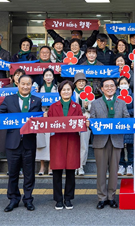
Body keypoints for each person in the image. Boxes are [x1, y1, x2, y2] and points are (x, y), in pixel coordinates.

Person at [0, 75, 43, 212]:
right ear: (18, 84)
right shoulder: (9, 99)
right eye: (23, 84)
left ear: (32, 85)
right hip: (12, 142)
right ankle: (13, 199)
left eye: (28, 84)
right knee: (13, 173)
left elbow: (39, 119)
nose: (26, 86)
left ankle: (28, 199)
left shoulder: (36, 100)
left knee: (29, 173)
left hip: (29, 142)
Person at [89, 78, 130, 209]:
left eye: (112, 86)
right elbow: (92, 122)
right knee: (101, 171)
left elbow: (127, 120)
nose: (109, 88)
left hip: (116, 140)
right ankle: (102, 198)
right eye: (106, 86)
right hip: (100, 141)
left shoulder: (121, 103)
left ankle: (111, 196)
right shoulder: (95, 103)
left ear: (116, 88)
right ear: (101, 89)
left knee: (114, 171)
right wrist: (89, 123)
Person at [48, 80, 82, 210]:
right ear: (60, 92)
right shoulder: (53, 106)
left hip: (72, 140)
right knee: (57, 171)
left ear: (72, 91)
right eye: (64, 90)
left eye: (68, 89)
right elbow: (49, 124)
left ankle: (68, 198)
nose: (66, 92)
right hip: (57, 140)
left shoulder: (77, 107)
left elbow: (80, 124)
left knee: (70, 171)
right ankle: (58, 199)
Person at [36, 68, 58, 176]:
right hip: (42, 117)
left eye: (50, 75)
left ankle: (50, 167)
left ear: (53, 77)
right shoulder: (39, 89)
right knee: (42, 142)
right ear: (43, 77)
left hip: (54, 118)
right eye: (46, 75)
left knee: (52, 142)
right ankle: (42, 166)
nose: (48, 77)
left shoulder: (57, 89)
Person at [73, 72, 92, 176]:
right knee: (73, 144)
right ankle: (73, 165)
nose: (81, 83)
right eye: (79, 82)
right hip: (73, 120)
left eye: (83, 82)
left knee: (84, 144)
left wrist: (87, 106)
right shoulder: (71, 93)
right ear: (75, 83)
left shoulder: (90, 93)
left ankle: (81, 166)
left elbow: (93, 109)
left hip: (85, 120)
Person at [116, 77, 135, 176]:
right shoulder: (115, 95)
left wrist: (126, 113)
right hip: (118, 123)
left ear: (128, 84)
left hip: (130, 123)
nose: (123, 84)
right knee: (119, 145)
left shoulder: (134, 95)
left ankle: (130, 165)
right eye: (121, 83)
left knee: (130, 146)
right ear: (118, 85)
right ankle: (121, 165)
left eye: (125, 83)